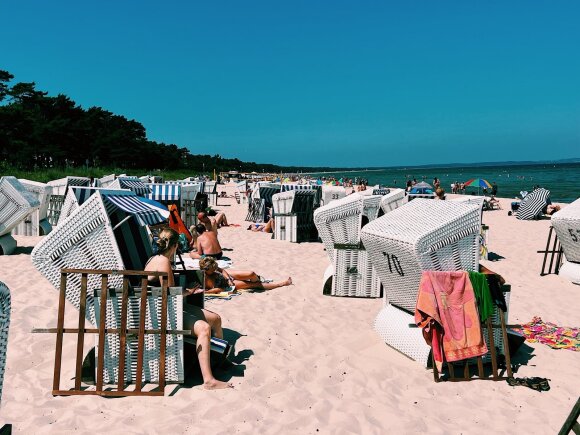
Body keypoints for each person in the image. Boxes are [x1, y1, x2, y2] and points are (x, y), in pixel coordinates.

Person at [144, 228, 233, 390]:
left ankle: (220, 359)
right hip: (162, 313)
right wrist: (189, 292)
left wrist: (188, 292)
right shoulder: (163, 262)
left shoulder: (155, 258)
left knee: (216, 319)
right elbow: (172, 294)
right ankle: (208, 380)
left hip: (163, 306)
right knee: (204, 328)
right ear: (176, 245)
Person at [199, 256, 292, 293]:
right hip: (226, 285)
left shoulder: (213, 269)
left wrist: (228, 278)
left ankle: (259, 280)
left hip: (227, 278)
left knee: (251, 273)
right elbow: (220, 289)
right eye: (213, 269)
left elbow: (221, 270)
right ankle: (281, 284)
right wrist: (206, 292)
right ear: (206, 270)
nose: (215, 269)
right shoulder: (201, 277)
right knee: (255, 285)